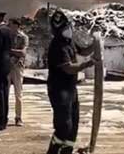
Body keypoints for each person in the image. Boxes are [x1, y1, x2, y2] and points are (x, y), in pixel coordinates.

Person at [45, 9, 96, 154]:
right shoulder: (57, 46)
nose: (69, 30)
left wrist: (96, 44)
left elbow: (84, 51)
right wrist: (88, 64)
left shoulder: (69, 42)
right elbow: (68, 68)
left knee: (73, 125)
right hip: (59, 91)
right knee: (63, 127)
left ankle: (67, 151)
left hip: (70, 89)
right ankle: (53, 151)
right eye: (65, 28)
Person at [8, 18, 29, 126]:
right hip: (7, 66)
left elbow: (23, 53)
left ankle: (18, 117)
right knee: (4, 93)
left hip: (17, 66)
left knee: (18, 94)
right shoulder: (7, 36)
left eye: (11, 24)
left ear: (16, 25)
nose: (9, 26)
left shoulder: (23, 37)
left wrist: (10, 51)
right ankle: (4, 116)